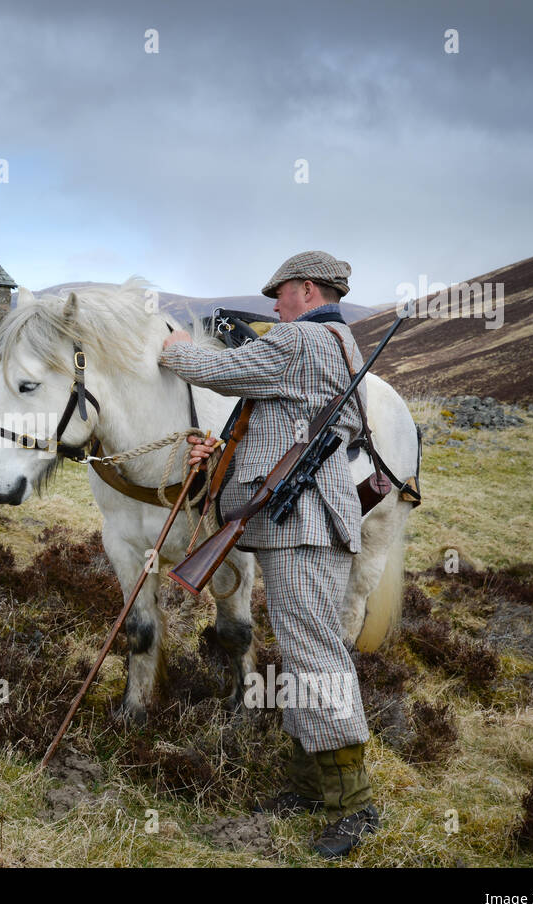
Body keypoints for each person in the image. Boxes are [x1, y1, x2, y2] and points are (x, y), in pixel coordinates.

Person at [159, 250, 380, 859]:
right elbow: (281, 420)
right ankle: (311, 786)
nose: (273, 306)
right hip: (302, 521)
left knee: (314, 651)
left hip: (304, 522)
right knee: (305, 648)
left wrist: (174, 345)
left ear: (307, 290)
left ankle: (354, 805)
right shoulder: (339, 344)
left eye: (278, 294)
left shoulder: (304, 342)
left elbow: (223, 371)